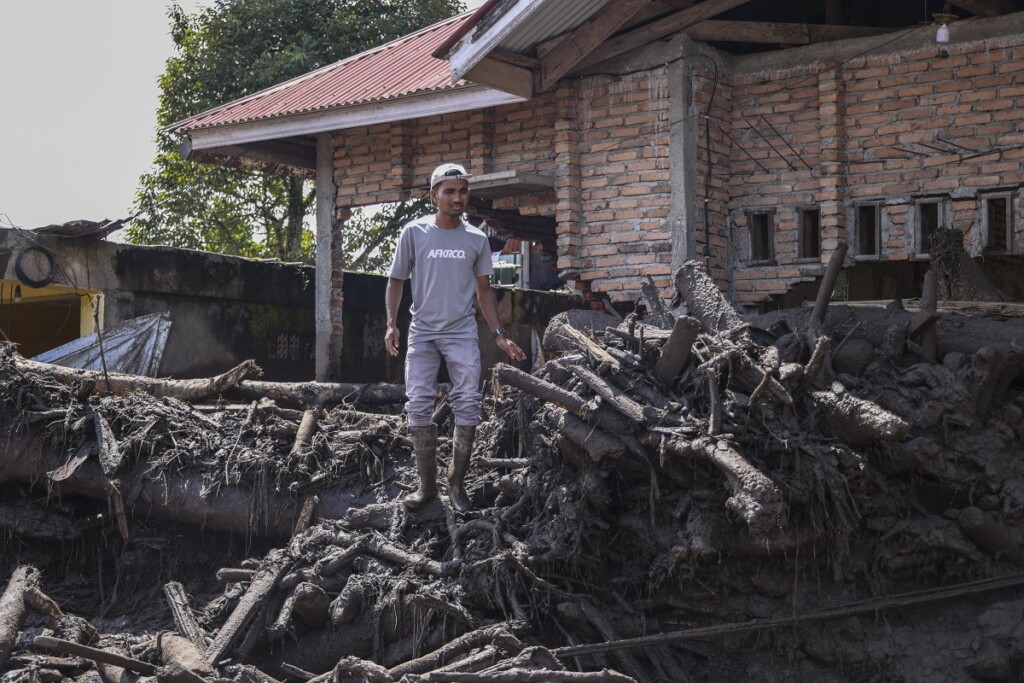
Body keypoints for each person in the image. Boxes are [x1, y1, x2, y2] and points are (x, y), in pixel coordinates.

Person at [385, 163, 526, 512]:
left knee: (468, 403)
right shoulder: (413, 233)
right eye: (449, 191)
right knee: (417, 404)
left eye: (463, 190)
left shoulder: (476, 240)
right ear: (434, 195)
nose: (457, 197)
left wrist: (499, 335)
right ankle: (426, 485)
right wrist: (391, 323)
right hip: (422, 332)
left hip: (461, 332)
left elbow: (484, 291)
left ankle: (456, 483)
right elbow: (396, 281)